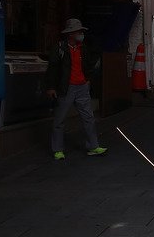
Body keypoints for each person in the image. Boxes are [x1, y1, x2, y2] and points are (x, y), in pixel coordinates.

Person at [43, 18, 107, 159]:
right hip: (66, 88)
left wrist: (87, 79)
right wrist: (51, 87)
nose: (80, 34)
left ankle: (93, 146)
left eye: (81, 31)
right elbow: (52, 69)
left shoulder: (83, 48)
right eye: (78, 31)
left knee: (89, 118)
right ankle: (58, 150)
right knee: (59, 119)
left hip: (82, 87)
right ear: (70, 33)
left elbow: (88, 65)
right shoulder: (60, 48)